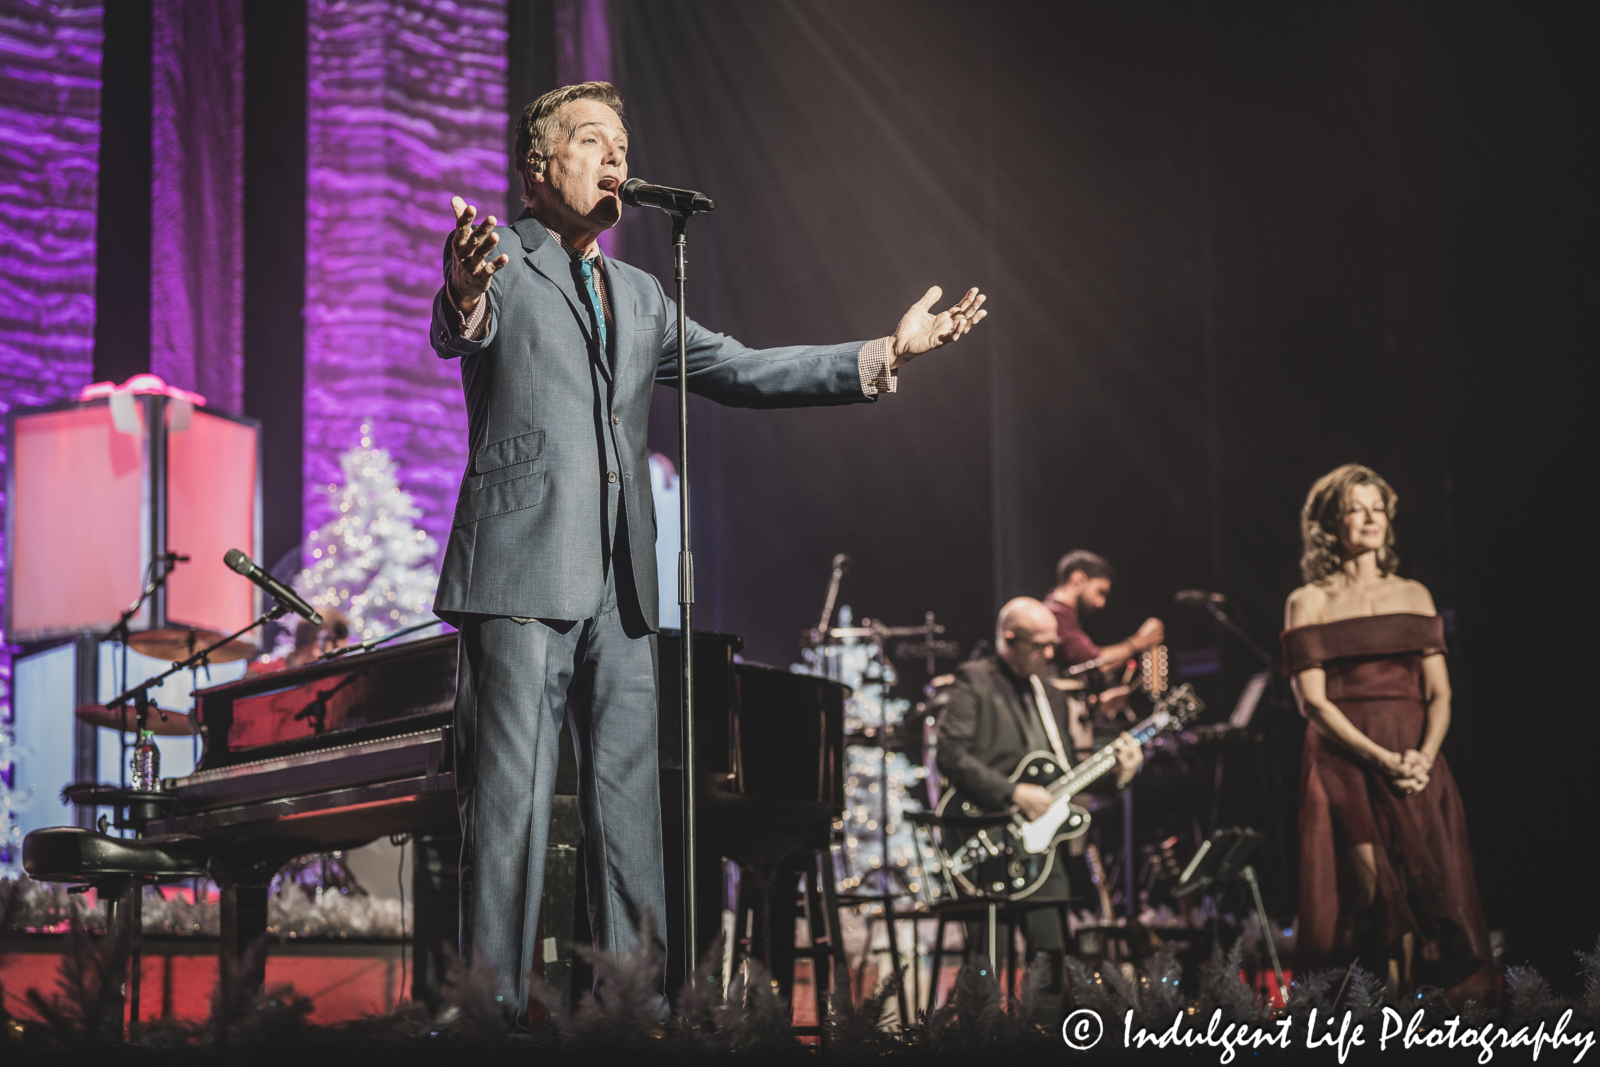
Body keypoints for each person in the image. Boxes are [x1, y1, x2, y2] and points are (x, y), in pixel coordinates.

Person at [430, 82, 987, 1020]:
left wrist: (883, 354)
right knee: (510, 806)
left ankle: (636, 1006)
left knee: (629, 812)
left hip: (627, 587)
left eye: (622, 141)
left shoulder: (642, 293)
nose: (615, 155)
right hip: (522, 568)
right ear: (536, 171)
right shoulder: (502, 263)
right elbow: (462, 328)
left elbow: (747, 367)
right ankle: (485, 1005)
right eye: (591, 140)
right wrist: (463, 286)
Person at [1283, 464, 1491, 1002]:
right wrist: (1379, 756)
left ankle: (1418, 1024)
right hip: (1345, 762)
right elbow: (1314, 702)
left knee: (1428, 897)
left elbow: (1440, 693)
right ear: (1332, 524)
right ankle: (1379, 1022)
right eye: (1357, 508)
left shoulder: (1415, 594)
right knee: (1373, 899)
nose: (1371, 518)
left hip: (1415, 763)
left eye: (1379, 508)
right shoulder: (1308, 601)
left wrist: (1422, 756)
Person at [933, 597, 1141, 1019]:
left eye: (1053, 645)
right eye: (1041, 645)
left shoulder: (1049, 692)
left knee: (1050, 965)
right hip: (986, 831)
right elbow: (950, 754)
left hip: (1042, 848)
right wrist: (1011, 792)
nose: (1051, 655)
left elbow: (1063, 777)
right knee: (985, 966)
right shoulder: (975, 680)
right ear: (1009, 639)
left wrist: (1120, 772)